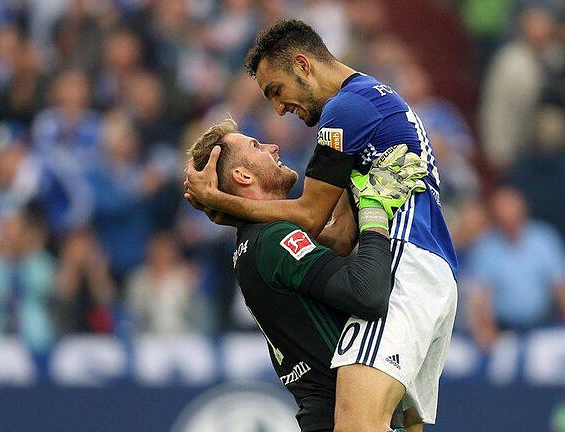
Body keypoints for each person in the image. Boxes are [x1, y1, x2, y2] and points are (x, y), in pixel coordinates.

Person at [185, 20, 458, 432]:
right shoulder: (369, 103)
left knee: (355, 425)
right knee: (398, 424)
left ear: (302, 64)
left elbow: (311, 216)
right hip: (428, 266)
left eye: (276, 90)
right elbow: (337, 235)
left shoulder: (344, 111)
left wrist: (221, 202)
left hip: (402, 263)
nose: (278, 110)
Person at [188, 119, 425, 431]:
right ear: (242, 176)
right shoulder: (274, 238)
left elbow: (336, 242)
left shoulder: (254, 243)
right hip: (347, 416)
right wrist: (373, 209)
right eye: (256, 147)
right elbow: (367, 294)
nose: (273, 147)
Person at [465, 187, 565, 349]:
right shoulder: (486, 247)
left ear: (523, 210)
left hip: (544, 324)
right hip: (504, 330)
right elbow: (479, 296)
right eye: (501, 211)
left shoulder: (544, 238)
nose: (508, 216)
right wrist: (484, 329)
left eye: (511, 208)